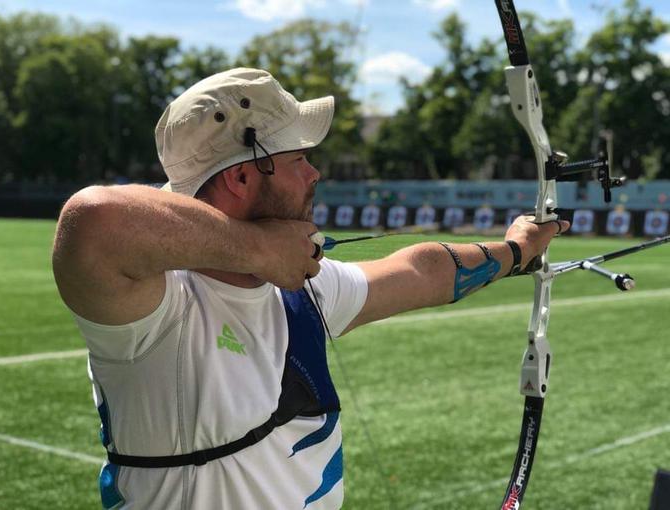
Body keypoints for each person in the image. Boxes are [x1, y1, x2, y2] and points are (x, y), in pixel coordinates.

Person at [51, 67, 569, 510]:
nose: (315, 172)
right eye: (299, 158)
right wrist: (257, 248)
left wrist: (516, 250)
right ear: (243, 177)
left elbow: (420, 272)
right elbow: (94, 220)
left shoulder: (298, 289)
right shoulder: (158, 308)